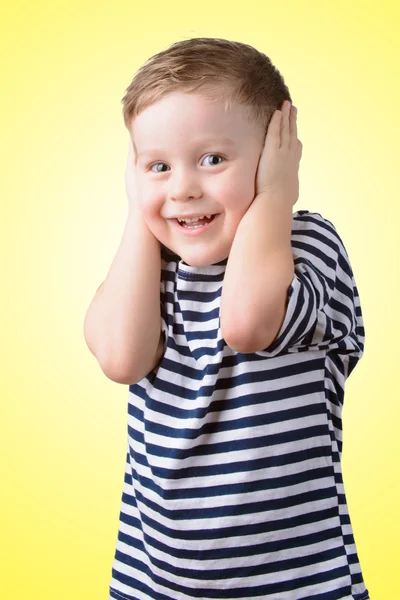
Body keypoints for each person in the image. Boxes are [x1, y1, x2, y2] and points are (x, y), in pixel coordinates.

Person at [83, 38, 370, 600]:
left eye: (212, 159)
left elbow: (246, 323)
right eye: (158, 165)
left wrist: (276, 197)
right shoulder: (148, 267)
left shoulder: (306, 245)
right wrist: (141, 211)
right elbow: (121, 359)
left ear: (272, 154)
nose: (184, 187)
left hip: (299, 580)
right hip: (153, 581)